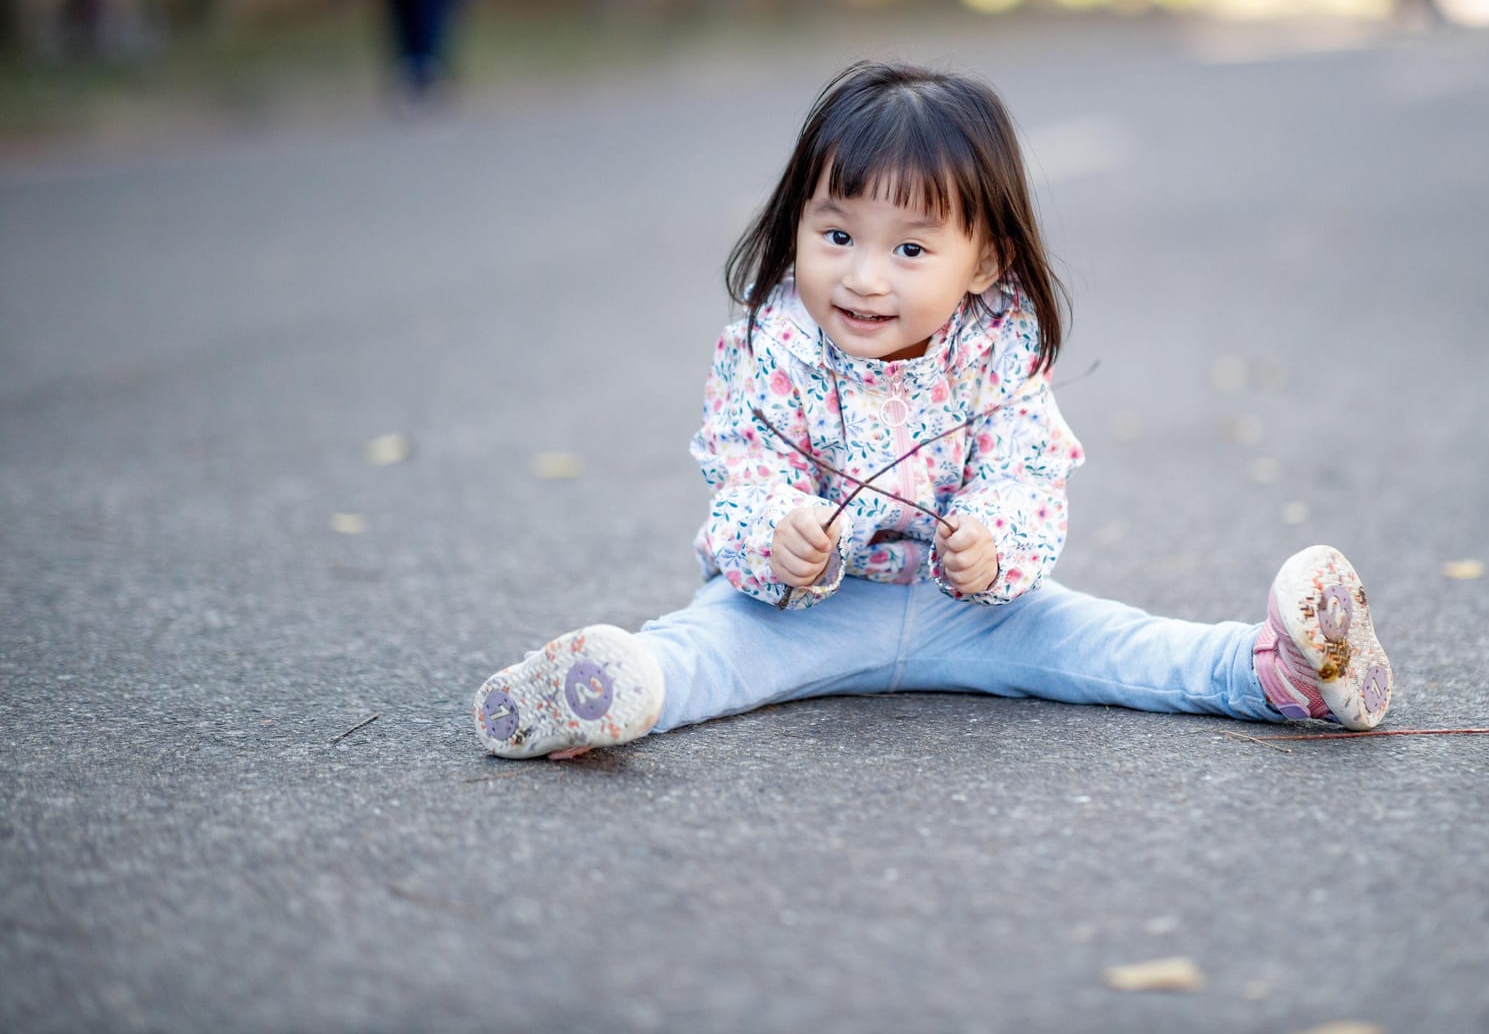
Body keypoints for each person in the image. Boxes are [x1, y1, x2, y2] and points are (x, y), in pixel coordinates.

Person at [470, 62, 1394, 760]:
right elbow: (742, 471)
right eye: (836, 235)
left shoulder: (999, 346)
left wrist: (991, 544)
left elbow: (1023, 471)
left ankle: (1279, 674)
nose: (864, 277)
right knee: (707, 651)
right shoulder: (772, 346)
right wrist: (779, 537)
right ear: (796, 223)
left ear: (984, 261)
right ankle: (610, 689)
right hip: (798, 612)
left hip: (972, 608)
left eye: (910, 249)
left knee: (1114, 643)